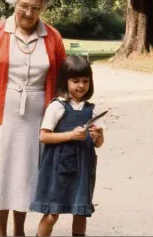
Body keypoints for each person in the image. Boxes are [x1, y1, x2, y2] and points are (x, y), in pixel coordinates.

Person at [0, 0, 66, 236]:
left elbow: (61, 82)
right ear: (14, 1)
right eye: (24, 5)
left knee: (24, 177)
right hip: (1, 116)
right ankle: (0, 230)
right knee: (2, 175)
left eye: (36, 7)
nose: (29, 12)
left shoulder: (53, 38)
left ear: (43, 8)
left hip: (37, 116)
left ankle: (19, 231)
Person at [30, 55, 105, 236]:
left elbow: (99, 144)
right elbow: (44, 136)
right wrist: (70, 135)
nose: (81, 85)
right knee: (52, 213)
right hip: (58, 167)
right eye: (76, 80)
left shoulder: (91, 109)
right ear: (66, 82)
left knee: (80, 212)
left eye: (85, 81)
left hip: (83, 167)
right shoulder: (58, 106)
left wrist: (98, 136)